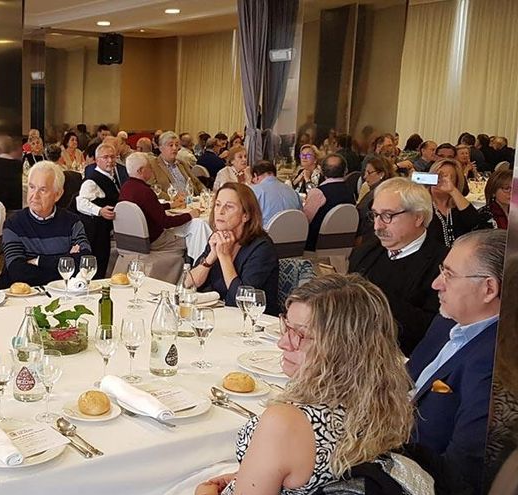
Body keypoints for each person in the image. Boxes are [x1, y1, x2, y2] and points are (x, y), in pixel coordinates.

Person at [196, 273, 418, 495]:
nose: (283, 343)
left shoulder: (286, 422)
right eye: (287, 326)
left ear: (343, 347)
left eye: (300, 334)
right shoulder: (382, 400)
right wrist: (251, 475)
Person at [407, 229, 505, 494]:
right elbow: (406, 380)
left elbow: (461, 473)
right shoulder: (447, 321)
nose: (436, 284)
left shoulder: (496, 364)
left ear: (489, 289)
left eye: (449, 274)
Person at [349, 178, 448, 354]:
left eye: (388, 215)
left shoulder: (443, 265)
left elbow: (432, 330)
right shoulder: (366, 251)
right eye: (375, 215)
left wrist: (375, 296)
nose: (378, 226)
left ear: (418, 217)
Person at [0, 161, 91, 288]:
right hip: (19, 296)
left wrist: (37, 261)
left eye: (43, 190)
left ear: (57, 194)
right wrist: (66, 259)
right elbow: (18, 272)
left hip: (62, 295)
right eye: (32, 187)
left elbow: (85, 263)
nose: (34, 196)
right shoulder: (13, 224)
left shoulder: (73, 222)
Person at [188, 183, 278, 314]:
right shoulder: (218, 237)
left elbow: (243, 302)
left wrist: (224, 257)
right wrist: (211, 257)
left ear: (245, 215)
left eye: (229, 207)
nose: (220, 211)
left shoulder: (262, 248)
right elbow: (188, 284)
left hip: (254, 323)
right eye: (218, 205)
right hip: (220, 316)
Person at [120, 152, 198, 252]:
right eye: (149, 167)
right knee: (193, 237)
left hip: (134, 238)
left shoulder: (126, 187)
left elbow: (148, 208)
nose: (152, 170)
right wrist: (190, 215)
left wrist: (170, 205)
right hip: (155, 241)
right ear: (140, 171)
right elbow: (165, 222)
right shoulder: (145, 191)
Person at [74, 143, 125, 278]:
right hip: (93, 229)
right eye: (106, 157)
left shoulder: (111, 176)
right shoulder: (91, 181)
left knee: (102, 261)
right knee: (95, 263)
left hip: (103, 229)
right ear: (97, 160)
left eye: (112, 157)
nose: (110, 160)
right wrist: (99, 211)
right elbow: (80, 202)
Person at [427, 159, 485, 248]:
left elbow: (475, 223)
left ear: (456, 181)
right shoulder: (421, 205)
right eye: (436, 175)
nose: (439, 180)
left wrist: (453, 191)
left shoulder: (459, 205)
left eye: (445, 176)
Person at [303, 153, 355, 251]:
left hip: (315, 245)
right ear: (345, 171)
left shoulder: (319, 193)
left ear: (322, 172)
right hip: (343, 244)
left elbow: (305, 221)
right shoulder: (350, 191)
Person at [151, 131, 206, 199]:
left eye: (176, 145)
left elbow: (197, 182)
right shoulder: (153, 165)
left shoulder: (182, 163)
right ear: (161, 148)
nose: (174, 148)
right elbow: (153, 190)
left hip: (192, 200)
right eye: (171, 145)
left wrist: (204, 193)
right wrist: (175, 198)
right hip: (173, 204)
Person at [355, 157, 396, 245]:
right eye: (365, 172)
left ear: (381, 174)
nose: (365, 176)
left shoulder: (377, 195)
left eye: (369, 172)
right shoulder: (386, 190)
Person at [248, 160, 302, 228]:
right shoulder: (292, 191)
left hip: (265, 236)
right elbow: (300, 215)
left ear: (255, 176)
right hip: (295, 235)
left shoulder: (254, 191)